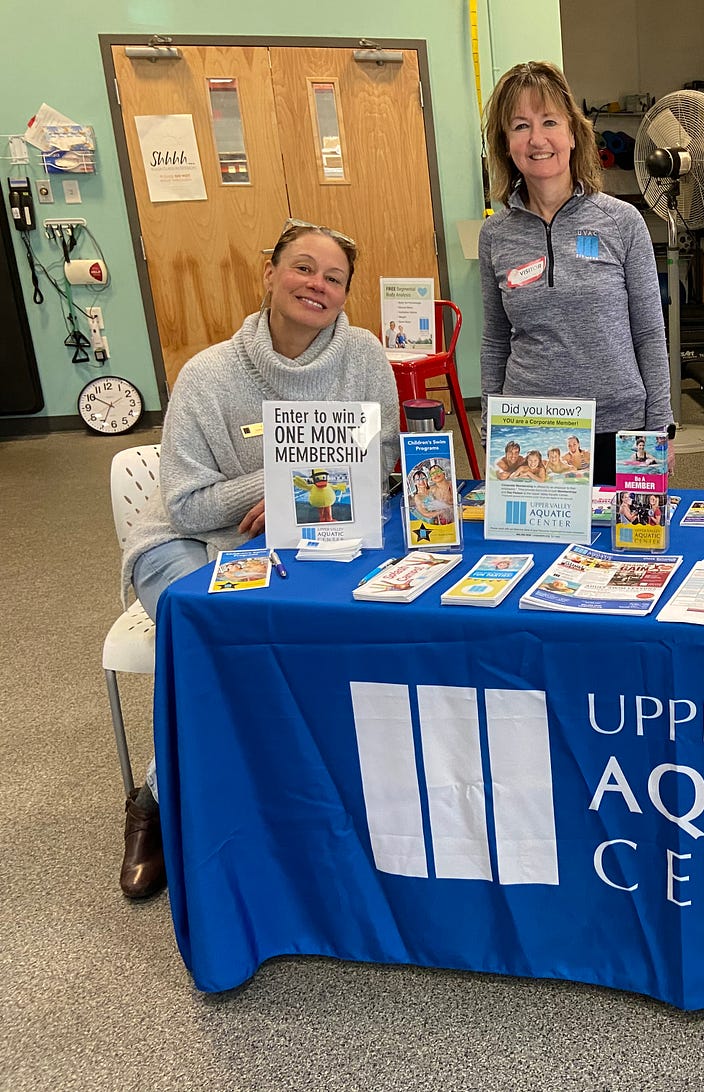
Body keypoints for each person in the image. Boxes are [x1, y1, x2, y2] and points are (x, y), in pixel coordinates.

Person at [116, 219, 400, 900]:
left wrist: (295, 494)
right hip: (187, 544)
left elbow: (384, 460)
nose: (317, 285)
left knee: (333, 635)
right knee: (221, 640)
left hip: (312, 533)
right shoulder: (208, 374)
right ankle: (156, 804)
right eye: (303, 268)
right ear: (269, 274)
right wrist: (285, 482)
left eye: (334, 278)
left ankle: (291, 799)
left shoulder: (364, 356)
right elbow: (186, 505)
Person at [479, 61, 674, 486]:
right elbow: (495, 340)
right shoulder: (495, 234)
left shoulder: (622, 222)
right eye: (520, 126)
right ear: (506, 144)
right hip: (530, 431)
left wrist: (660, 426)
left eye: (549, 121)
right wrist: (491, 425)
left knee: (628, 532)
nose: (537, 139)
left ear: (572, 133)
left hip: (618, 425)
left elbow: (649, 332)